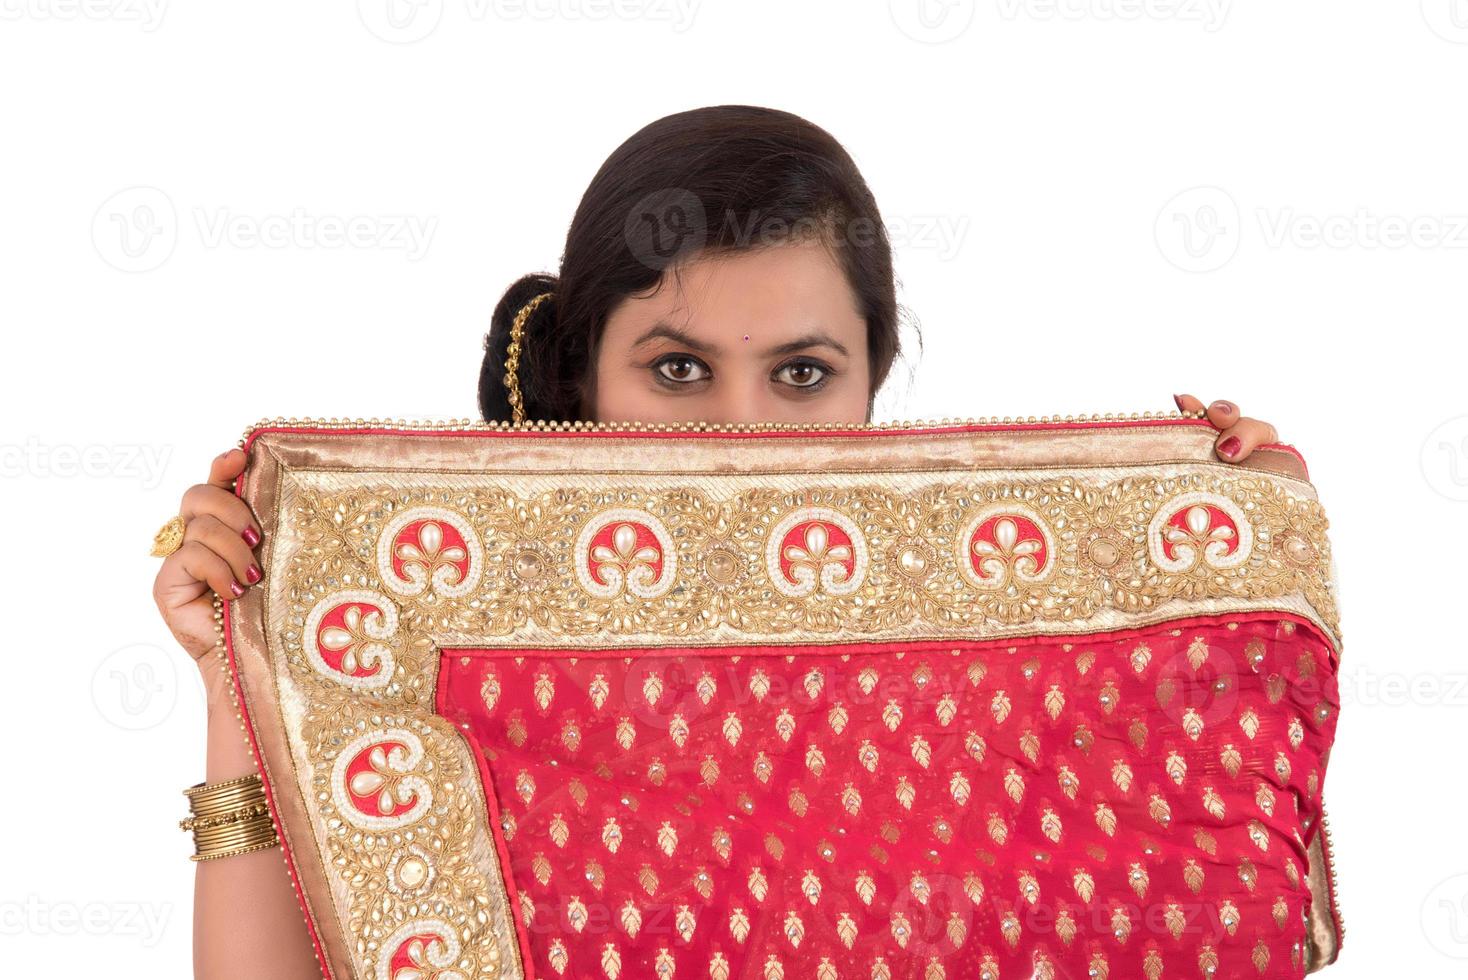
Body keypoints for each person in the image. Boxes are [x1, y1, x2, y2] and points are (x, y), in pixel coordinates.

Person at [150, 105, 1281, 978]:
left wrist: (1244, 578)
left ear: (874, 389)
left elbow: (1192, 915)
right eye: (678, 369)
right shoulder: (444, 635)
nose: (741, 424)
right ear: (579, 374)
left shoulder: (993, 667)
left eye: (801, 373)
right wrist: (237, 686)